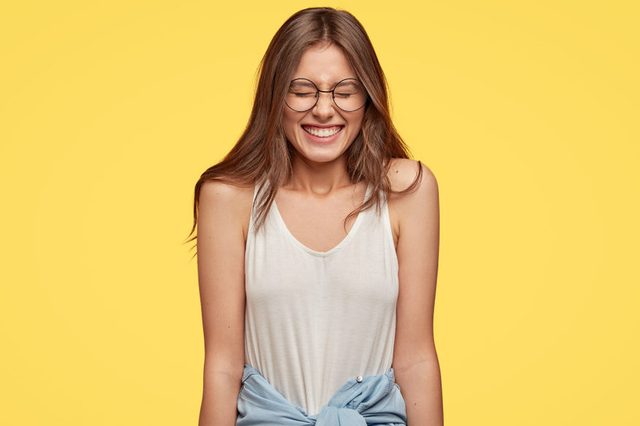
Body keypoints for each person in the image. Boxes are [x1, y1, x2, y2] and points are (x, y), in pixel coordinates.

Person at [187, 6, 443, 425]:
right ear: (275, 95)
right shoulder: (227, 198)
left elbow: (416, 359)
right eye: (302, 90)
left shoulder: (407, 191)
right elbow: (222, 367)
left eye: (345, 90)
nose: (324, 110)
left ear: (368, 97)